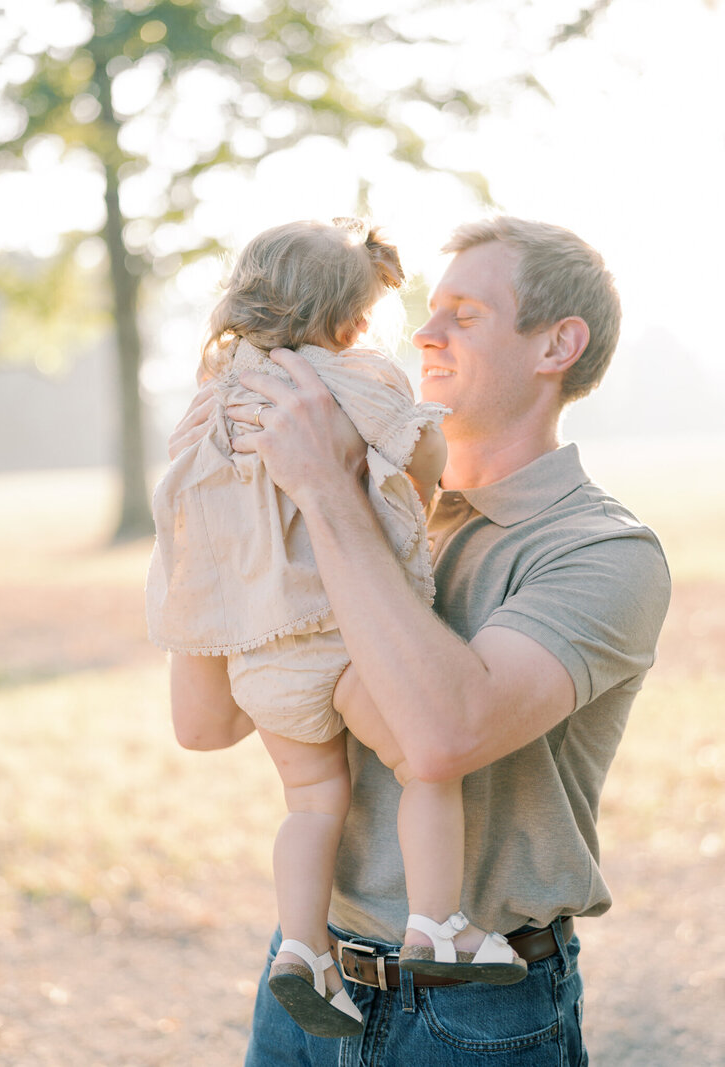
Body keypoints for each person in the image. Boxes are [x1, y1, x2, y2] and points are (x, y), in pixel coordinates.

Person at [168, 216, 671, 1065]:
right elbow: (205, 725)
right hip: (309, 981)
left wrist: (326, 487)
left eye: (465, 315)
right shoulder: (369, 504)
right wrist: (218, 520)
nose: (424, 333)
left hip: (474, 1014)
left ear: (558, 344)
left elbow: (442, 737)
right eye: (430, 309)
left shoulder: (600, 549)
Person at [147, 218, 526, 1042]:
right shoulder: (353, 379)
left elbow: (182, 519)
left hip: (256, 657)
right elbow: (424, 451)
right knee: (426, 764)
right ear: (352, 318)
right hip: (341, 640)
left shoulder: (212, 405)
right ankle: (440, 923)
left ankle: (303, 948)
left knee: (312, 801)